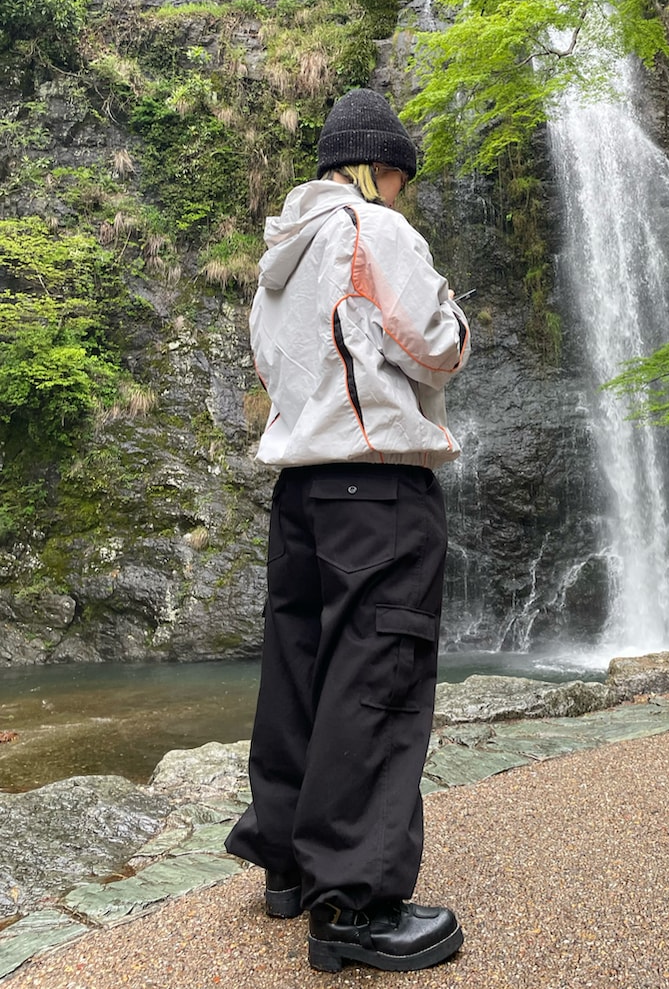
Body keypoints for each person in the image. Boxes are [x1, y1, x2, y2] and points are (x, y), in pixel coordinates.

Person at [225, 87, 471, 975]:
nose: (400, 189)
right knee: (380, 673)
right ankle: (355, 904)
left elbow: (277, 367)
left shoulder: (275, 265)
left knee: (301, 669)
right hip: (377, 490)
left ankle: (287, 863)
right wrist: (461, 327)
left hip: (302, 489)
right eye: (397, 173)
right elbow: (433, 341)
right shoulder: (375, 231)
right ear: (374, 167)